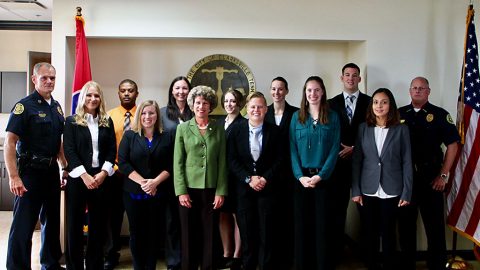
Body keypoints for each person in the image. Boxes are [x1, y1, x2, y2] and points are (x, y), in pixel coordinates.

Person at [4, 62, 66, 270]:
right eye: (44, 78)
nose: (49, 81)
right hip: (29, 172)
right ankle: (17, 266)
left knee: (51, 221)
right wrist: (14, 176)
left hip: (50, 172)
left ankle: (50, 263)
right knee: (24, 224)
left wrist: (64, 166)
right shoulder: (24, 106)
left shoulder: (56, 107)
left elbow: (58, 142)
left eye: (52, 78)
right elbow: (10, 142)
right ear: (34, 80)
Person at [397, 77, 459, 270]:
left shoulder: (440, 115)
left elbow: (453, 145)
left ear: (428, 91)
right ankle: (407, 264)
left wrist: (443, 175)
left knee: (434, 228)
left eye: (421, 88)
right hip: (405, 180)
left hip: (431, 179)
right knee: (405, 226)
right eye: (414, 88)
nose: (417, 91)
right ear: (409, 91)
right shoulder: (398, 114)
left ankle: (437, 265)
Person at [351, 88, 412, 270]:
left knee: (388, 234)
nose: (379, 106)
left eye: (384, 102)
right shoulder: (363, 128)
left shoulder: (401, 129)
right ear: (371, 106)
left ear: (390, 105)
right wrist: (355, 190)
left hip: (392, 189)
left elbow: (407, 162)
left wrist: (407, 192)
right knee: (369, 233)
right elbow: (357, 161)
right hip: (367, 189)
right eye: (376, 102)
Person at [63, 81, 116, 270]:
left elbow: (111, 150)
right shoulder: (71, 121)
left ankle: (94, 265)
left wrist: (103, 173)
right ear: (83, 97)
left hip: (101, 178)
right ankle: (74, 265)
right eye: (89, 95)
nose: (93, 99)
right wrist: (84, 175)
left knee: (98, 224)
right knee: (75, 224)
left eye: (96, 95)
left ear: (100, 98)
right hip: (79, 178)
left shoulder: (106, 121)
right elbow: (69, 150)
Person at [173, 85, 228, 270]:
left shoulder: (218, 128)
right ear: (192, 104)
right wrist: (181, 191)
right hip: (188, 190)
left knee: (210, 233)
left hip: (212, 189)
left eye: (205, 103)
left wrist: (221, 191)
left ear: (210, 105)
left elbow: (222, 162)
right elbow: (178, 162)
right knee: (188, 233)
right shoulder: (182, 128)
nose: (201, 106)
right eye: (198, 102)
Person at [289, 76, 340, 270]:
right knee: (302, 226)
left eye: (317, 90)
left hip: (324, 180)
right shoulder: (296, 117)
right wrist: (300, 176)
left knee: (322, 227)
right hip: (301, 180)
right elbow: (292, 148)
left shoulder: (333, 117)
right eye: (309, 90)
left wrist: (321, 176)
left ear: (323, 92)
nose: (313, 94)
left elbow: (335, 149)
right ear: (304, 93)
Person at [118, 100, 175, 270]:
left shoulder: (166, 136)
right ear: (138, 115)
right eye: (143, 113)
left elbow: (172, 164)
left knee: (153, 234)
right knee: (137, 233)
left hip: (158, 192)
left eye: (151, 113)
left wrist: (155, 182)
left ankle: (150, 267)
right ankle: (138, 266)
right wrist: (143, 182)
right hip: (133, 193)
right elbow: (123, 163)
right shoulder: (130, 136)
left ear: (157, 115)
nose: (147, 116)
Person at [227, 92, 282, 270]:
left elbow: (280, 159)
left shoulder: (275, 131)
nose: (256, 110)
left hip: (268, 189)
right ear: (247, 109)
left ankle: (266, 265)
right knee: (247, 232)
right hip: (244, 190)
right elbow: (231, 159)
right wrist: (248, 178)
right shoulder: (236, 130)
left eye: (260, 107)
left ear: (266, 109)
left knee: (267, 232)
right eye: (253, 107)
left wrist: (265, 178)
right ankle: (248, 265)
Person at [327, 63, 371, 262]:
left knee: (367, 212)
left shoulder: (371, 102)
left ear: (359, 79)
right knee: (337, 211)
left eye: (355, 75)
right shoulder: (330, 103)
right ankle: (336, 253)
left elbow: (374, 133)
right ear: (341, 78)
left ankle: (367, 256)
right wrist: (341, 149)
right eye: (347, 75)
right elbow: (326, 134)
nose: (351, 78)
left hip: (365, 165)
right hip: (338, 165)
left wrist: (355, 148)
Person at [104, 78, 139, 270]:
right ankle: (111, 254)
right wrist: (115, 168)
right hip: (114, 174)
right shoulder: (109, 115)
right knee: (113, 218)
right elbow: (106, 145)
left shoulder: (143, 114)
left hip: (136, 175)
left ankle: (138, 255)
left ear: (137, 93)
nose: (127, 93)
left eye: (130, 90)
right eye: (123, 90)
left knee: (137, 217)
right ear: (118, 93)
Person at [264, 77, 298, 269]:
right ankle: (271, 258)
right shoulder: (264, 111)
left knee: (287, 216)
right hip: (268, 174)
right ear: (270, 91)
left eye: (280, 89)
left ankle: (288, 258)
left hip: (289, 173)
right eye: (274, 89)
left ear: (286, 91)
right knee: (270, 218)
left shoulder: (295, 113)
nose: (277, 92)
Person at [160, 76, 194, 270]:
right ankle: (174, 260)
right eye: (177, 88)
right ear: (172, 91)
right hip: (169, 172)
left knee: (190, 218)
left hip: (192, 172)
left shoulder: (196, 111)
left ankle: (190, 258)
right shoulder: (163, 113)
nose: (181, 92)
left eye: (185, 88)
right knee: (172, 218)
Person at [217, 88, 246, 270]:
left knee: (238, 217)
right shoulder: (219, 123)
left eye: (233, 101)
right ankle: (226, 253)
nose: (229, 104)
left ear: (239, 103)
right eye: (226, 101)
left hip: (237, 177)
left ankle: (237, 255)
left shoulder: (244, 123)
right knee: (223, 215)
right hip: (221, 177)